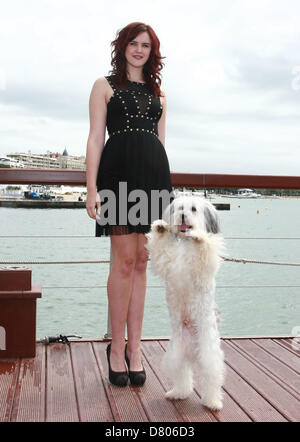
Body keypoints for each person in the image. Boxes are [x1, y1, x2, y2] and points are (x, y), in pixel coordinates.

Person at [85, 22, 173, 387]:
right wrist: (91, 189)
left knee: (141, 263)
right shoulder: (104, 86)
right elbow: (94, 139)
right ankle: (116, 348)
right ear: (122, 47)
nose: (139, 50)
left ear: (152, 52)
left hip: (153, 178)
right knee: (122, 262)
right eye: (134, 44)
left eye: (146, 46)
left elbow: (162, 143)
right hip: (118, 176)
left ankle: (136, 350)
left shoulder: (161, 95)